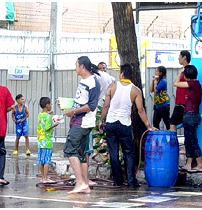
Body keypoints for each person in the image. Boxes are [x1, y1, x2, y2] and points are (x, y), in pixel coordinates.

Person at [98, 64, 156, 188]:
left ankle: (117, 181)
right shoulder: (136, 90)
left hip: (111, 123)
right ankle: (131, 180)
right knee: (128, 153)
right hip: (125, 124)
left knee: (113, 152)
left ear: (122, 74)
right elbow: (141, 111)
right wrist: (148, 126)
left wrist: (101, 121)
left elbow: (106, 106)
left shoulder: (112, 87)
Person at [61, 56, 100, 194]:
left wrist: (74, 111)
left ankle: (80, 182)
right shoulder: (84, 81)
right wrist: (68, 107)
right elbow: (81, 100)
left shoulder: (93, 82)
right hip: (77, 120)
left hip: (83, 122)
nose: (75, 67)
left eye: (76, 65)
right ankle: (85, 184)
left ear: (82, 66)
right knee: (81, 154)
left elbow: (91, 105)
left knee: (70, 150)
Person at [174, 65, 202, 172]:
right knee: (188, 140)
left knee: (192, 140)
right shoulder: (196, 85)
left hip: (191, 115)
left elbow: (175, 83)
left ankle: (200, 164)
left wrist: (180, 73)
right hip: (192, 115)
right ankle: (189, 164)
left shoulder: (193, 84)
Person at [37, 97, 59, 183]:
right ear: (47, 105)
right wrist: (54, 125)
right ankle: (46, 178)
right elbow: (47, 128)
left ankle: (42, 177)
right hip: (47, 140)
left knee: (41, 160)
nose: (51, 106)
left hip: (40, 140)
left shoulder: (40, 114)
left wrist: (49, 114)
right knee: (46, 160)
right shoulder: (48, 117)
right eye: (50, 104)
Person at [170, 50, 191, 131]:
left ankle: (173, 143)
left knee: (173, 123)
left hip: (183, 102)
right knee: (174, 123)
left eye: (179, 56)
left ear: (184, 57)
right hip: (179, 101)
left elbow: (175, 82)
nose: (178, 58)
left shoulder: (188, 70)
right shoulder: (183, 70)